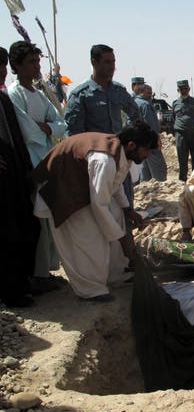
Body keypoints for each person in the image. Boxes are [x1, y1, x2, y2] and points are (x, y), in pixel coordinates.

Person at [31, 121, 157, 301]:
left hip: (82, 189)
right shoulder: (103, 160)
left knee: (116, 214)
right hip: (63, 192)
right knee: (88, 238)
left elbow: (115, 183)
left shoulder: (122, 153)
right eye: (147, 150)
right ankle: (90, 289)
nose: (148, 155)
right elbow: (99, 206)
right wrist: (122, 240)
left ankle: (116, 273)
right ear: (132, 145)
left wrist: (127, 209)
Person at [7, 41, 66, 292]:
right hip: (31, 163)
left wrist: (49, 128)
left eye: (37, 61)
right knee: (37, 221)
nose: (36, 66)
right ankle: (38, 274)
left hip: (47, 160)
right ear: (17, 66)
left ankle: (47, 270)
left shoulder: (39, 94)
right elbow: (28, 131)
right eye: (31, 62)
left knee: (49, 219)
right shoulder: (14, 93)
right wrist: (45, 129)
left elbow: (60, 123)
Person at [0, 46, 40, 307]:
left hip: (13, 175)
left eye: (3, 66)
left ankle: (22, 283)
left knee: (24, 227)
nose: (2, 71)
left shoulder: (4, 100)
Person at [65, 44, 139, 136]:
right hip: (93, 149)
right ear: (94, 62)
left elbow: (136, 116)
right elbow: (73, 133)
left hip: (117, 147)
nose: (112, 67)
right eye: (107, 62)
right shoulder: (80, 95)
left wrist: (127, 137)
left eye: (113, 62)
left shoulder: (119, 91)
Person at [135, 84, 167, 181]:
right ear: (141, 92)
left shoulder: (134, 102)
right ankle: (161, 188)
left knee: (145, 168)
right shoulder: (145, 105)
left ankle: (145, 189)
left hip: (140, 142)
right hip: (150, 141)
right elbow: (151, 125)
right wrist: (156, 140)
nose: (150, 95)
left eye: (151, 93)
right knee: (159, 168)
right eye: (148, 93)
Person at [173, 79, 194, 181]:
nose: (184, 90)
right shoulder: (175, 103)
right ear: (178, 90)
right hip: (181, 135)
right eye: (181, 89)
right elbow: (174, 118)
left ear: (189, 89)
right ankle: (182, 183)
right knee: (182, 160)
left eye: (185, 88)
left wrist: (191, 125)